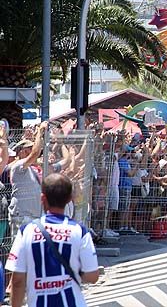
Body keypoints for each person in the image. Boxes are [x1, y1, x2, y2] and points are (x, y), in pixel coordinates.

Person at [7, 173, 100, 307]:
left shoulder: (26, 231)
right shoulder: (79, 231)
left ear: (42, 198)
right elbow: (93, 276)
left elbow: (17, 280)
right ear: (70, 199)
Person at [8, 122, 46, 233]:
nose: (34, 150)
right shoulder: (17, 166)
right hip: (22, 216)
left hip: (34, 216)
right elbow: (35, 153)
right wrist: (39, 132)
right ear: (23, 151)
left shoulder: (33, 167)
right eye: (30, 148)